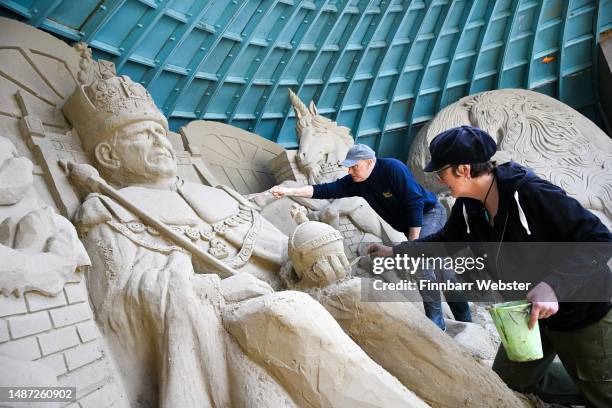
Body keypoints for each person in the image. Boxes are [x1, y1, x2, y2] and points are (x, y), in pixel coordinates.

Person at [368, 125, 612, 407]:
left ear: (463, 169)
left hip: (583, 311)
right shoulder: (469, 206)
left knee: (602, 394)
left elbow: (599, 240)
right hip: (526, 315)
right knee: (508, 384)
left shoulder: (532, 194)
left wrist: (553, 287)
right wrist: (395, 251)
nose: (439, 180)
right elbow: (445, 242)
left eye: (441, 172)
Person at [271, 144, 472, 330]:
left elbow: (415, 203)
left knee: (422, 262)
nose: (350, 171)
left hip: (429, 213)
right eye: (348, 168)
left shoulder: (393, 168)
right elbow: (323, 190)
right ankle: (465, 319)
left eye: (354, 167)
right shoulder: (356, 181)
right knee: (442, 268)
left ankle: (436, 324)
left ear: (369, 162)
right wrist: (288, 190)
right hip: (412, 223)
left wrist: (413, 244)